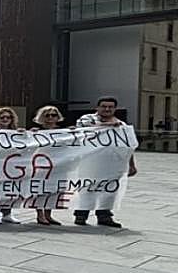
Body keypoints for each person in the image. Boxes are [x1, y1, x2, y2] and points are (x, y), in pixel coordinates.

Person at [73, 96, 137, 228]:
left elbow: (128, 146)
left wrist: (131, 164)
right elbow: (85, 129)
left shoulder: (122, 125)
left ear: (115, 108)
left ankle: (104, 215)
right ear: (97, 108)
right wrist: (108, 126)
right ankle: (81, 214)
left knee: (109, 190)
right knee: (86, 187)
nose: (107, 109)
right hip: (88, 162)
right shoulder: (87, 118)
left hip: (112, 164)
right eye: (104, 106)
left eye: (110, 107)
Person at [30, 105, 65, 226]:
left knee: (54, 190)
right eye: (47, 115)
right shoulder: (36, 131)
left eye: (53, 115)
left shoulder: (64, 131)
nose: (50, 117)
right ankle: (40, 214)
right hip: (40, 164)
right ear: (42, 117)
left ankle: (48, 214)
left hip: (58, 165)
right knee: (40, 189)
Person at [0, 107, 21, 224]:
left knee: (8, 189)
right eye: (2, 117)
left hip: (11, 165)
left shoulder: (17, 132)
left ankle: (7, 213)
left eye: (8, 117)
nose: (5, 119)